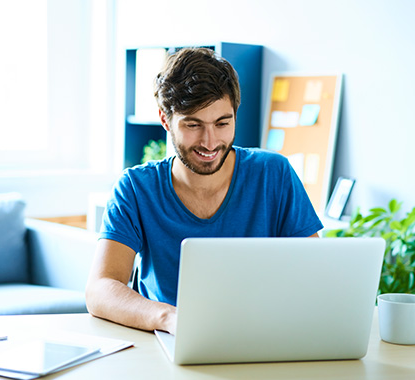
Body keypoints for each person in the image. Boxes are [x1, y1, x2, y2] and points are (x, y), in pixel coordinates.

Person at [85, 47, 323, 334]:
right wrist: (170, 319)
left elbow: (315, 273)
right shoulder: (136, 188)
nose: (210, 142)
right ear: (165, 119)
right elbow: (100, 288)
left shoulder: (273, 173)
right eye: (193, 124)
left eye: (222, 123)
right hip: (169, 339)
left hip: (262, 335)